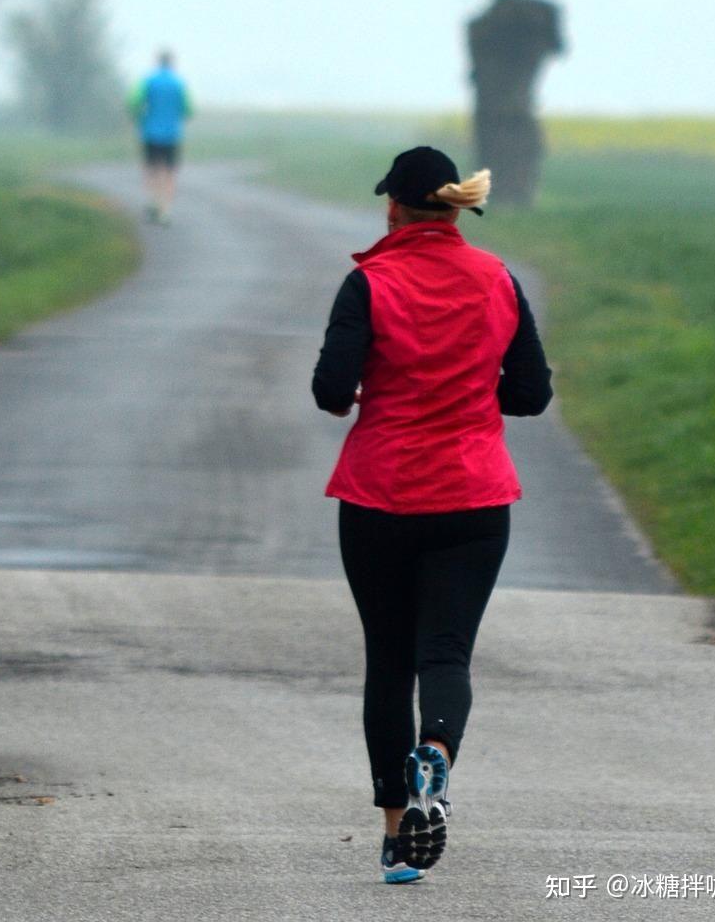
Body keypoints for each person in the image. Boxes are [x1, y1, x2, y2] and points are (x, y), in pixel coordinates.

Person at [312, 146, 553, 885]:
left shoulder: (368, 283)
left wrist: (372, 393)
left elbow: (330, 390)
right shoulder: (498, 280)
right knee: (444, 655)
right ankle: (437, 758)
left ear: (394, 207)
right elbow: (533, 393)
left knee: (388, 661)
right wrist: (478, 397)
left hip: (380, 494)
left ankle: (394, 837)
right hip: (474, 500)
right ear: (453, 209)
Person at [128, 50, 194, 224]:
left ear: (158, 62)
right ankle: (166, 210)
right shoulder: (178, 84)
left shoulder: (148, 81)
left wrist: (139, 116)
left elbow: (134, 102)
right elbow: (188, 109)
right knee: (169, 172)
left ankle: (153, 202)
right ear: (172, 62)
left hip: (150, 132)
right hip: (172, 134)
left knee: (152, 169)